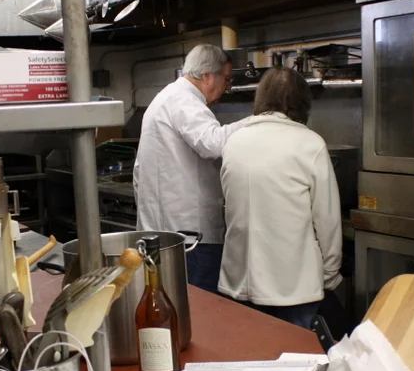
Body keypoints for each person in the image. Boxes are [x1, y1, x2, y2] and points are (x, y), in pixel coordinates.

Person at [218, 67, 343, 328]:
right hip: (293, 287)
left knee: (251, 358)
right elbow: (327, 220)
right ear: (302, 103)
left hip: (240, 281)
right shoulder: (310, 144)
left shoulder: (233, 142)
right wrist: (329, 275)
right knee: (296, 362)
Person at [133, 44, 248, 293]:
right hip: (191, 239)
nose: (227, 88)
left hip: (167, 232)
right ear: (207, 75)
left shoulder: (168, 97)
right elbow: (213, 143)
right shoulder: (184, 100)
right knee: (199, 312)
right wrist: (259, 121)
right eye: (226, 79)